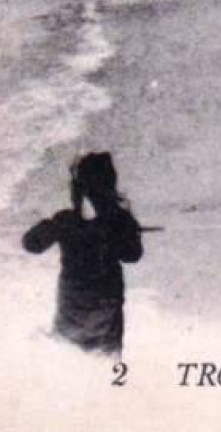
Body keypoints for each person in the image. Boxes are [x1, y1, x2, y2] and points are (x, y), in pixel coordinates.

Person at [22, 152, 143, 357]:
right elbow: (133, 255)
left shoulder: (67, 219)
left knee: (68, 355)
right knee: (106, 360)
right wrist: (128, 225)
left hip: (74, 306)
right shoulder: (117, 220)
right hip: (106, 305)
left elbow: (31, 244)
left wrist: (52, 225)